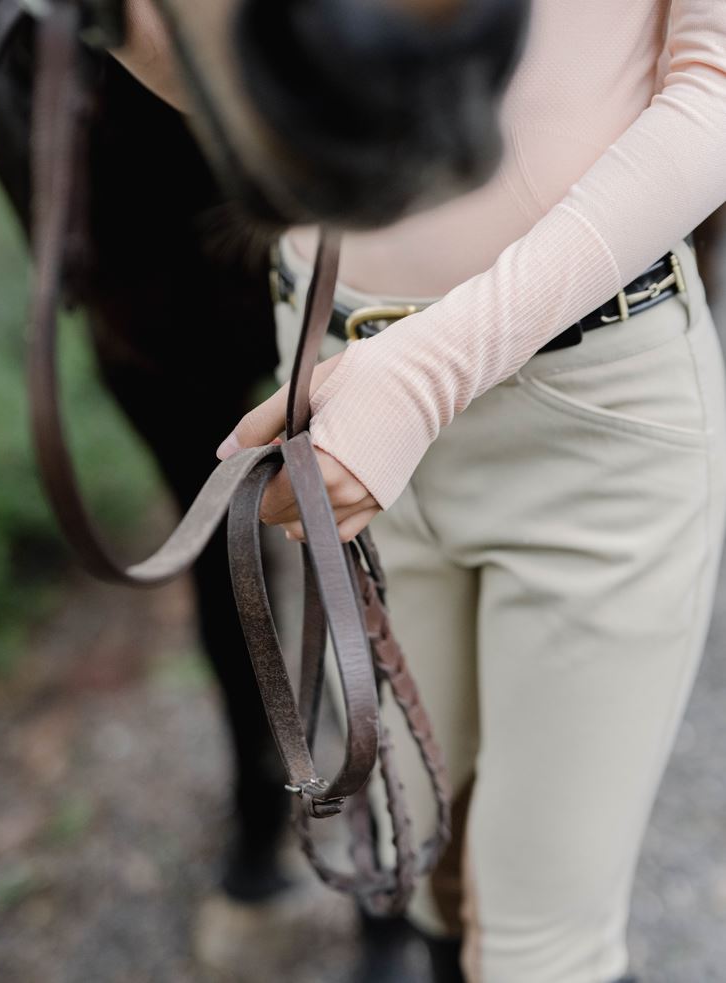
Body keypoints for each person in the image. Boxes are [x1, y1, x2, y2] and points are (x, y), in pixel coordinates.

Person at [117, 1, 726, 980]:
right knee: (424, 870)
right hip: (336, 385)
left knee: (539, 945)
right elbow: (258, 78)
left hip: (581, 416)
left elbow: (716, 88)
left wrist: (425, 371)